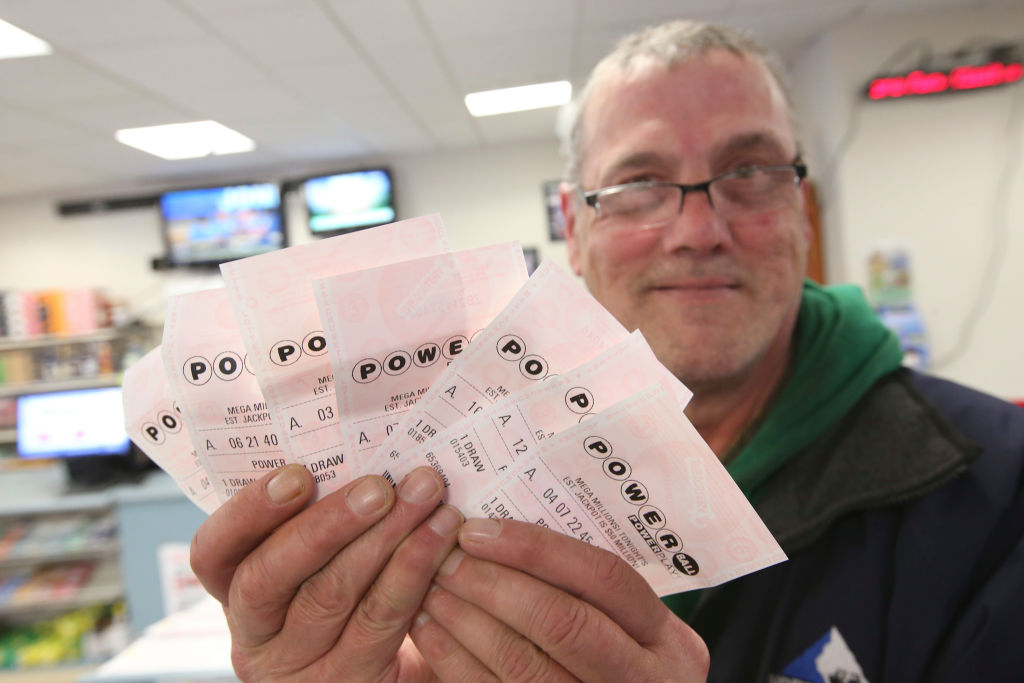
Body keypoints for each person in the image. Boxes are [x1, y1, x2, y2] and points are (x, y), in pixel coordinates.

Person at [190, 19, 1024, 682]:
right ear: (575, 225)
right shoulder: (446, 479)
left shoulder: (999, 495)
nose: (700, 231)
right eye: (639, 184)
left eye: (750, 170)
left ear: (799, 204)